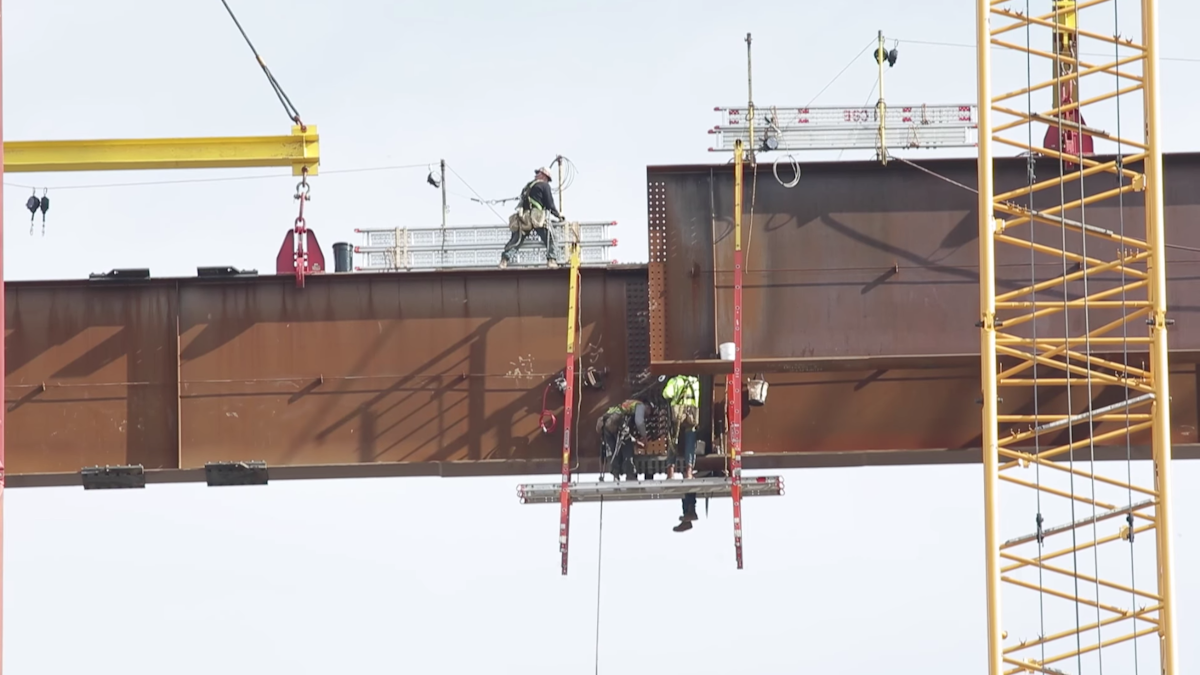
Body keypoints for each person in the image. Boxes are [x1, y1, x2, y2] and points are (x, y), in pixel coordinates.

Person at [500, 167, 564, 269]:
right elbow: (550, 205)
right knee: (551, 238)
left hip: (524, 218)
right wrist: (559, 215)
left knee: (516, 240)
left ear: (543, 175)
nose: (536, 174)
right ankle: (552, 260)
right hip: (537, 218)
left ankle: (504, 260)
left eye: (538, 172)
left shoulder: (527, 187)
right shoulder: (544, 185)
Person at [595, 398, 651, 480]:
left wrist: (636, 442)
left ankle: (616, 476)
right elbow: (639, 422)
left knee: (613, 452)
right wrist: (644, 437)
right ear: (647, 407)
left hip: (606, 426)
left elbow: (625, 433)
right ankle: (630, 475)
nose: (647, 415)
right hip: (617, 423)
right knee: (627, 450)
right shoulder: (640, 405)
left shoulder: (622, 406)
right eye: (649, 412)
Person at [661, 374, 700, 479]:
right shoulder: (695, 381)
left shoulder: (675, 381)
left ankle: (670, 473)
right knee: (690, 444)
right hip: (692, 414)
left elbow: (666, 394)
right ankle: (689, 472)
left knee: (673, 442)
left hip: (678, 414)